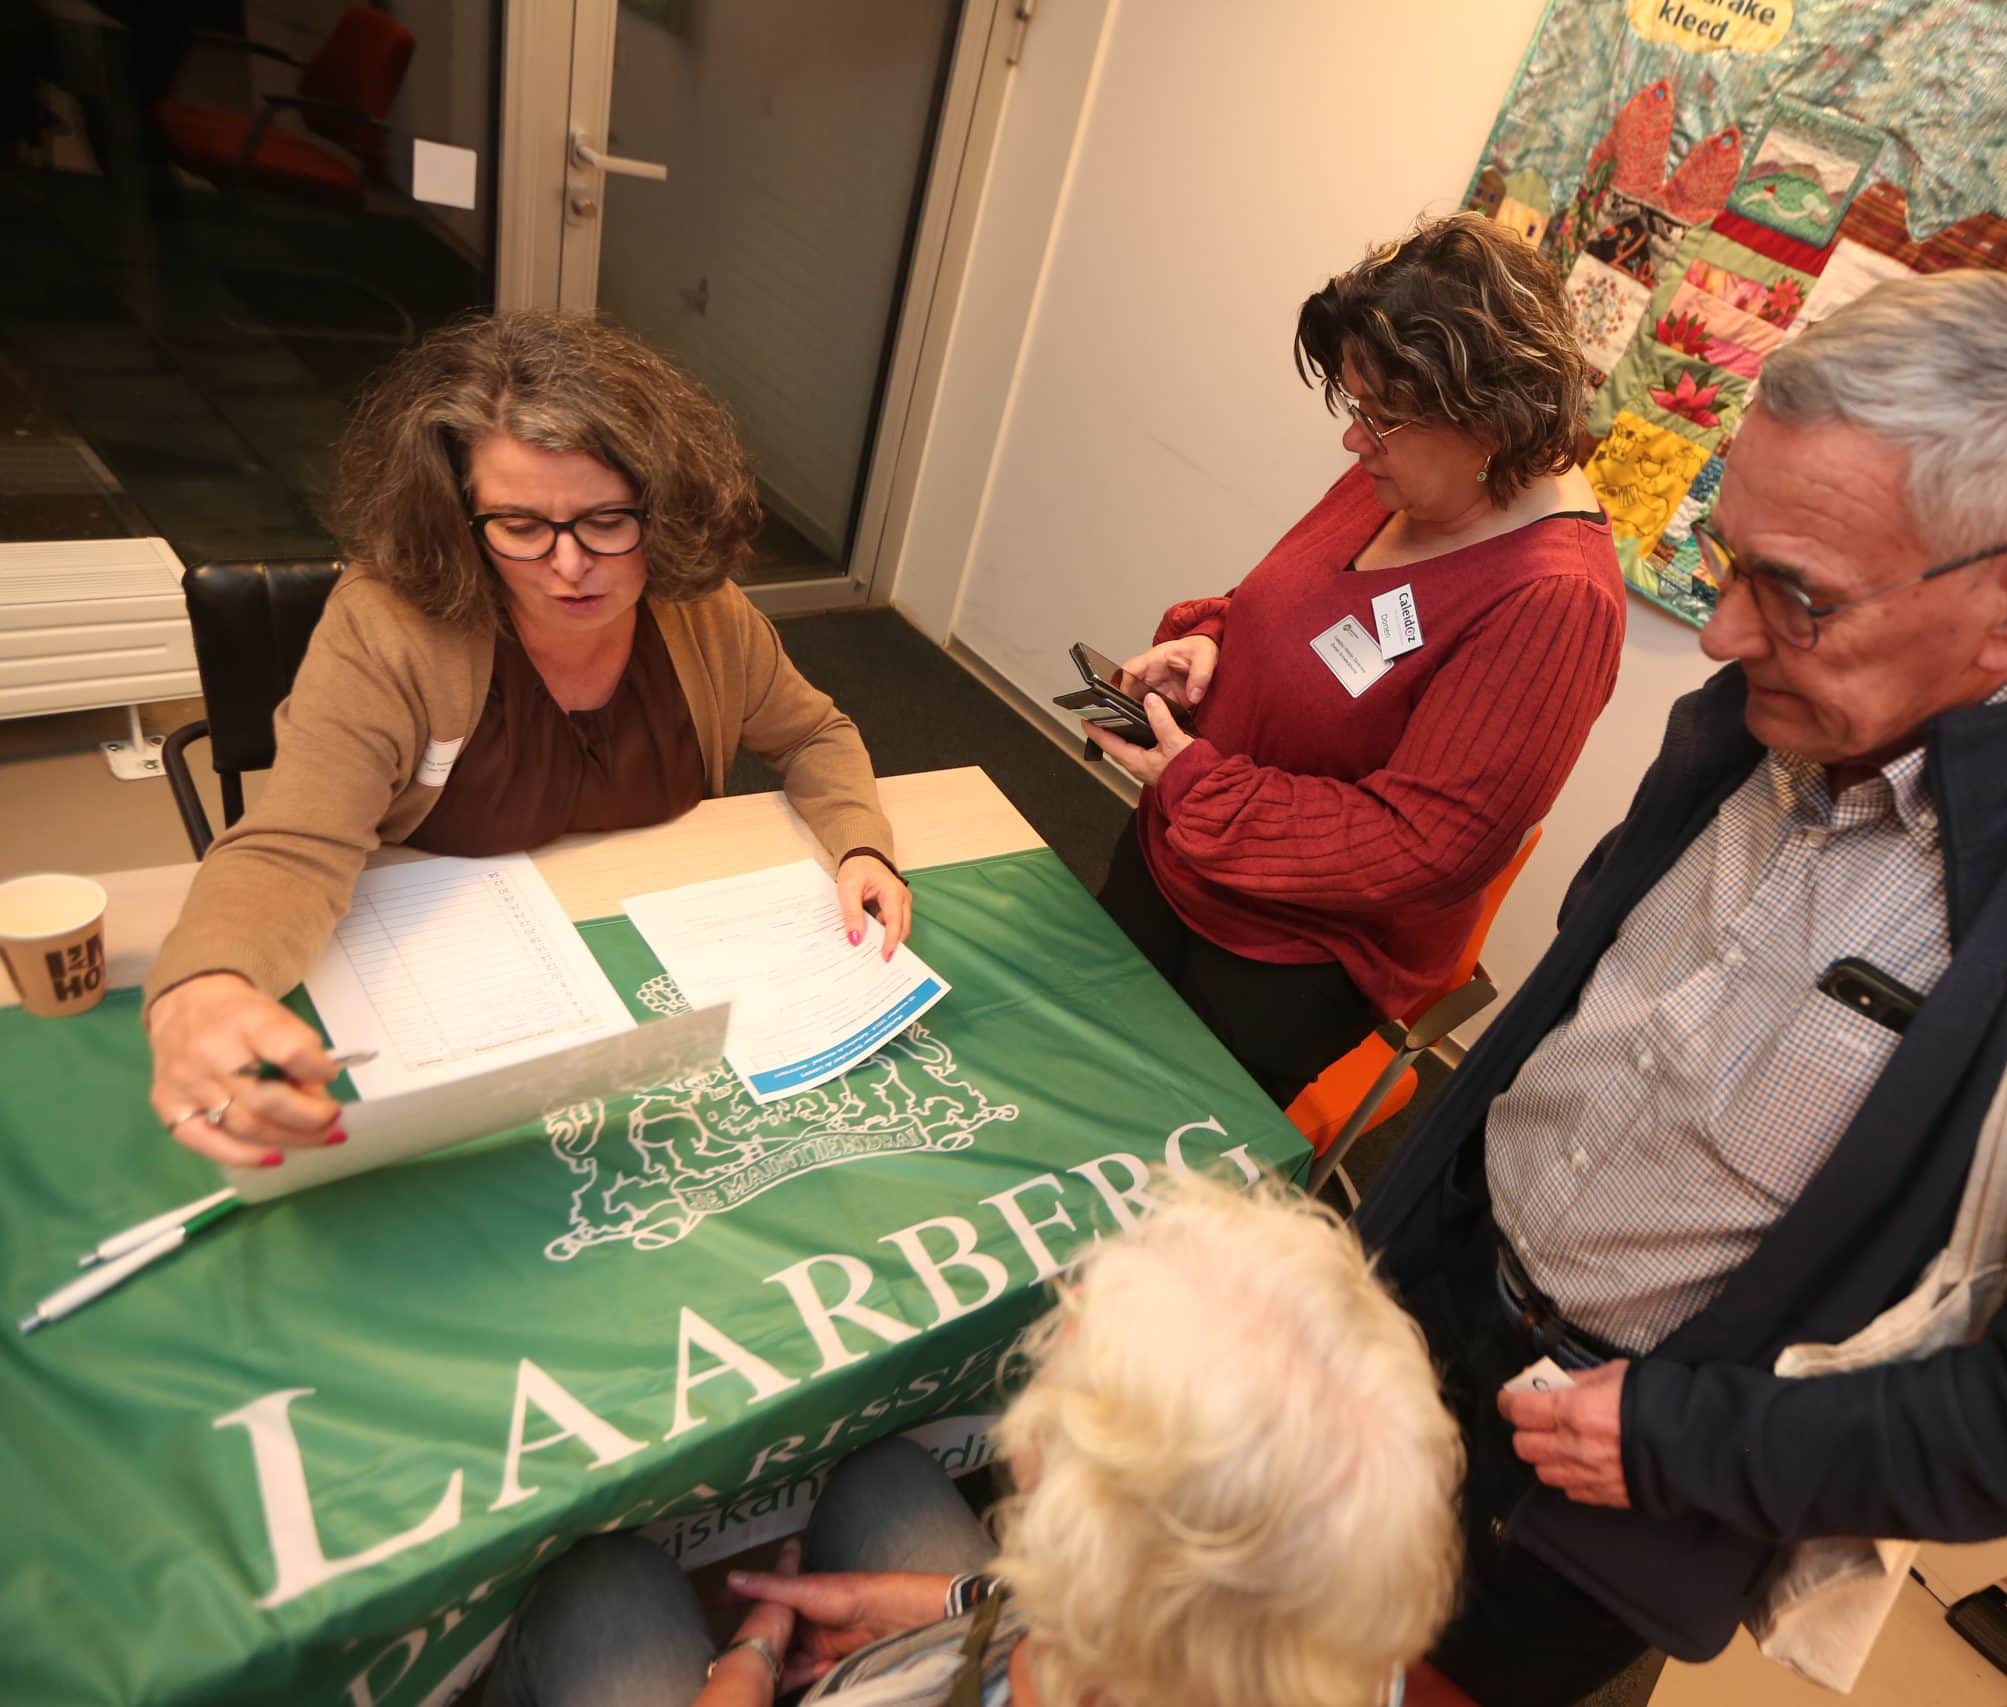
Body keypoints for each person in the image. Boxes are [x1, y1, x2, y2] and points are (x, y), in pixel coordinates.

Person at [1355, 271, 2007, 1706]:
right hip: (1419, 1301)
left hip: (1597, 1472)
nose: (1719, 633)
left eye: (1797, 595)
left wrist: (1701, 1446)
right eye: (1727, 558)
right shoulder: (1769, 710)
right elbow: (1578, 1019)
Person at [142, 311, 910, 1168]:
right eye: (519, 526)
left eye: (607, 520)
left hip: (661, 978)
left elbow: (815, 734)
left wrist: (860, 845)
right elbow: (294, 846)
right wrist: (202, 987)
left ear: (664, 510)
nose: (569, 566)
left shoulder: (702, 613)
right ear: (458, 516)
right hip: (457, 989)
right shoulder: (387, 629)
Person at [481, 1181, 1466, 1707]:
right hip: (980, 1651)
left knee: (602, 1594)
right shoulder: (1337, 1651)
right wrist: (953, 1604)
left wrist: (743, 1666)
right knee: (885, 1479)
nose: (1066, 1316)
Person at [1092, 212, 1625, 1106]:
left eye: (1378, 417)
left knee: (1138, 1148)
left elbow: (1421, 843)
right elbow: (1291, 610)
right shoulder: (1408, 470)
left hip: (1281, 959)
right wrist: (1214, 639)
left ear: (1487, 423)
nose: (1354, 439)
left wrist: (1200, 788)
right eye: (1356, 406)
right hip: (1181, 851)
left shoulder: (1556, 600)